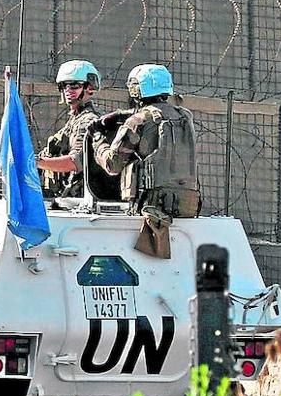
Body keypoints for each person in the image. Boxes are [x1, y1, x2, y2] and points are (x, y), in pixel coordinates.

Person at [92, 63, 200, 258]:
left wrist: (98, 140)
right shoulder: (185, 116)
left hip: (151, 206)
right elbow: (159, 113)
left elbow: (112, 164)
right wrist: (121, 115)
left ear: (136, 89)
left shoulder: (138, 121)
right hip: (187, 205)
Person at [36, 60, 106, 200]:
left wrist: (34, 163)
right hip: (71, 197)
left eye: (74, 86)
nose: (68, 90)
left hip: (81, 198)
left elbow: (74, 162)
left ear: (89, 88)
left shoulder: (88, 121)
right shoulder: (75, 120)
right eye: (64, 85)